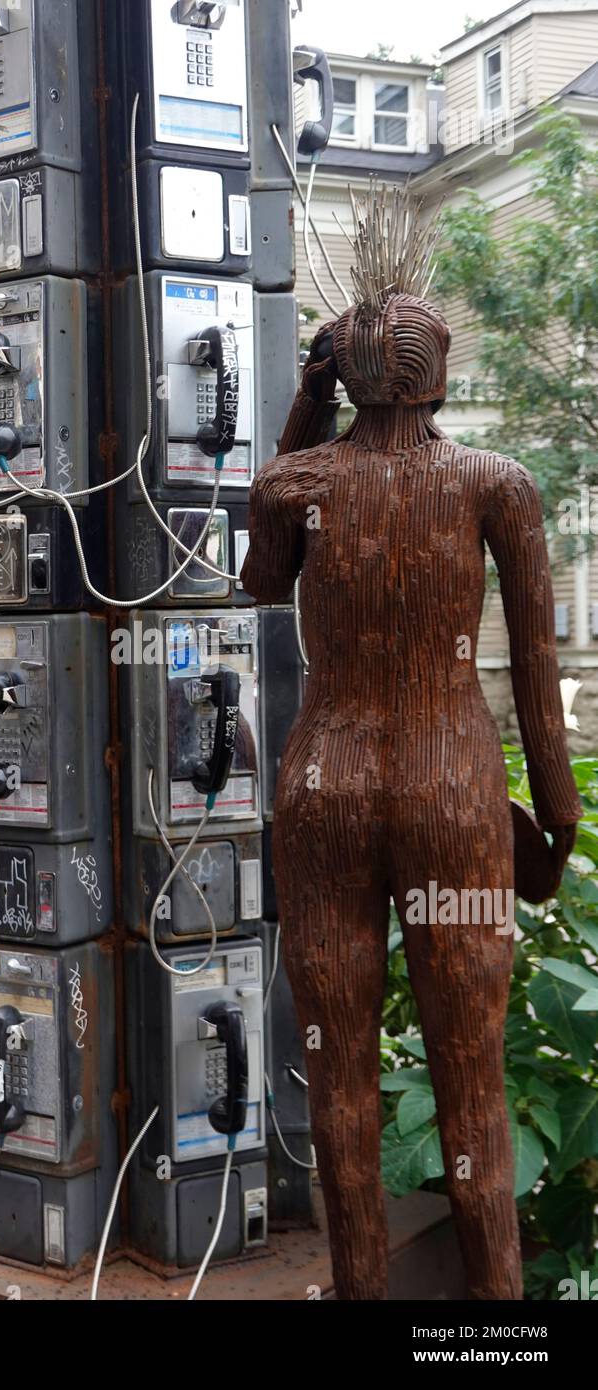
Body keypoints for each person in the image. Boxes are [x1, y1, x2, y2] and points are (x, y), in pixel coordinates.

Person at [241, 229, 579, 1299]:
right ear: (444, 374)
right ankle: (492, 1311)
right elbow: (532, 662)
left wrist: (305, 408)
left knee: (334, 1062)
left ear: (337, 371)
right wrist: (556, 810)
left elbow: (260, 579)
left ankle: (358, 1291)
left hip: (324, 783)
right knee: (467, 1065)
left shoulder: (293, 479)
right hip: (451, 784)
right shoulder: (496, 482)